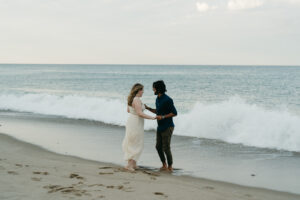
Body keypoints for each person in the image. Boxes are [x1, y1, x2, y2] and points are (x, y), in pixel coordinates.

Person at [122, 83, 156, 171]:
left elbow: (128, 110)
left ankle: (133, 164)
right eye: (142, 90)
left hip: (131, 121)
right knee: (136, 143)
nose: (143, 92)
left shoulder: (131, 98)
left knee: (132, 141)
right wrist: (152, 118)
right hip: (136, 123)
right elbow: (140, 113)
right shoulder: (136, 99)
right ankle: (129, 165)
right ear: (138, 91)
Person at [145, 80, 177, 172]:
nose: (153, 89)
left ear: (158, 89)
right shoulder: (157, 99)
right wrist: (148, 108)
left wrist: (162, 117)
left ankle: (170, 166)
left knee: (166, 147)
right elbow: (158, 112)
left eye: (154, 88)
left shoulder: (168, 100)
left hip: (168, 126)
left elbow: (175, 113)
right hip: (160, 126)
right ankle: (164, 164)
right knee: (158, 147)